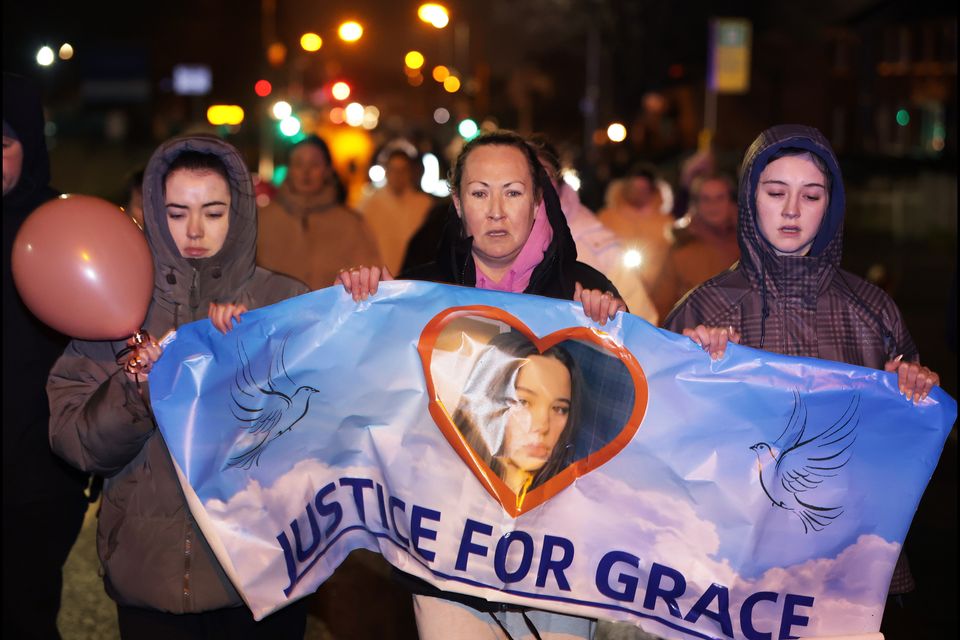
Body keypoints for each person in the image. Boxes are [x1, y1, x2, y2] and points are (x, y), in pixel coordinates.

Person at [339, 130, 626, 640]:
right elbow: (379, 408)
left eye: (513, 192)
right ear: (457, 203)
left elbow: (612, 423)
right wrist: (367, 313)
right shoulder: (419, 293)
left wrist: (612, 337)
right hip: (448, 560)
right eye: (479, 193)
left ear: (539, 202)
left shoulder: (585, 296)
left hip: (556, 564)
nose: (496, 211)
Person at [663, 124, 939, 623]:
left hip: (844, 569)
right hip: (732, 573)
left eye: (810, 195)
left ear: (829, 205)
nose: (792, 210)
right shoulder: (704, 306)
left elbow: (900, 447)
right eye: (776, 193)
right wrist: (690, 368)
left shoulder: (873, 309)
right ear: (751, 200)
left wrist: (913, 392)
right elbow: (662, 438)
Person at [47, 135, 310, 639]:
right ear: (150, 211)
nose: (194, 230)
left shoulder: (283, 301)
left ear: (240, 214)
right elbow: (76, 443)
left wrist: (247, 358)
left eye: (213, 212)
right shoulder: (114, 299)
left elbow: (320, 435)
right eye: (176, 212)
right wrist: (136, 390)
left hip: (263, 580)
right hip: (151, 578)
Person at [3, 71, 91, 640]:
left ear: (29, 146)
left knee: (25, 611)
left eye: (3, 143)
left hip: (37, 473)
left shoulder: (60, 229)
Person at [532, 136, 659, 324]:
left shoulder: (598, 245)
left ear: (559, 184)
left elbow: (643, 323)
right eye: (524, 176)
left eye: (544, 175)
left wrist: (612, 322)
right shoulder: (490, 245)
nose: (535, 185)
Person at [453, 331, 582, 501]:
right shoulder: (429, 476)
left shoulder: (572, 505)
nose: (542, 426)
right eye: (522, 402)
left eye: (559, 409)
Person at [257, 134, 380, 290]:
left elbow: (370, 278)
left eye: (314, 164)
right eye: (298, 164)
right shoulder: (262, 221)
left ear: (328, 170)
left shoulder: (351, 224)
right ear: (289, 169)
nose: (306, 172)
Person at [651, 173, 739, 319]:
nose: (713, 205)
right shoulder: (681, 248)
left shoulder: (748, 244)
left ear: (731, 202)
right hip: (692, 336)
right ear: (696, 204)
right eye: (706, 199)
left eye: (719, 198)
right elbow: (662, 304)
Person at [358, 147, 435, 275]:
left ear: (410, 172)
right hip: (380, 276)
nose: (398, 175)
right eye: (394, 169)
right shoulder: (368, 204)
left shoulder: (424, 204)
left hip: (413, 275)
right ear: (387, 171)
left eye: (403, 170)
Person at [597, 163, 673, 290]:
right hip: (614, 281)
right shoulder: (607, 217)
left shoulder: (665, 222)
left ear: (652, 190)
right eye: (634, 188)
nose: (638, 193)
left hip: (654, 287)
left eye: (643, 189)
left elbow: (667, 256)